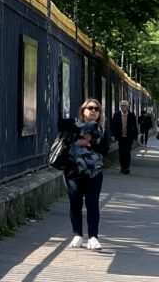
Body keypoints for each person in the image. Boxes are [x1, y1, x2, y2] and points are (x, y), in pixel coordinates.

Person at [58, 98, 109, 251]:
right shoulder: (73, 125)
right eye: (90, 108)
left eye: (96, 109)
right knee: (75, 203)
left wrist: (90, 143)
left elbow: (105, 150)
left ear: (99, 113)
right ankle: (77, 234)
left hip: (94, 173)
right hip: (73, 172)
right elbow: (61, 124)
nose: (93, 111)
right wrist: (80, 129)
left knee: (92, 204)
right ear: (83, 111)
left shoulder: (101, 130)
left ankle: (93, 237)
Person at [110, 100, 139, 174]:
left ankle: (127, 167)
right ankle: (122, 167)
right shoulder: (116, 115)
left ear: (128, 107)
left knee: (127, 152)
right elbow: (113, 126)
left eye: (124, 106)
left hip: (129, 137)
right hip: (120, 137)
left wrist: (135, 138)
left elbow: (135, 127)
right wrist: (113, 135)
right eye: (121, 106)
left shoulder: (132, 115)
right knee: (121, 152)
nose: (123, 107)